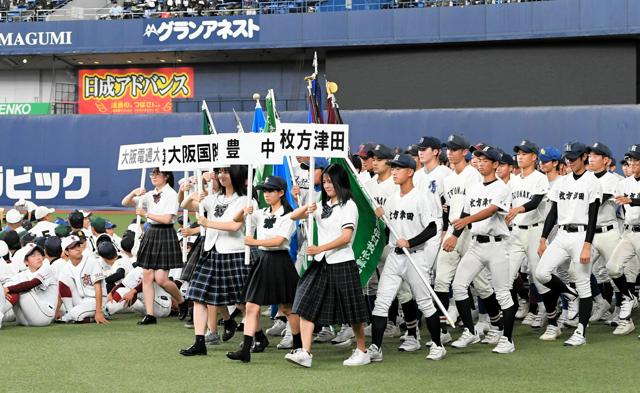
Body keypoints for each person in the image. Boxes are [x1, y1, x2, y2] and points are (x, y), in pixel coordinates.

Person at [285, 163, 370, 368]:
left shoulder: (349, 206)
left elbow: (346, 237)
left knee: (353, 312)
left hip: (342, 262)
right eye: (324, 182)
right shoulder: (320, 204)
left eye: (330, 181)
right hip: (321, 263)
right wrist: (307, 207)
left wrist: (320, 248)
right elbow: (293, 216)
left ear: (340, 182)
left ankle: (362, 350)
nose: (326, 185)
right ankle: (305, 352)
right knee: (305, 302)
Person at [368, 154, 446, 361]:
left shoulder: (422, 197)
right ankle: (375, 347)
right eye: (392, 168)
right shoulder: (393, 198)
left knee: (425, 303)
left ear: (410, 171)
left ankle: (437, 345)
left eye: (398, 168)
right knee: (382, 302)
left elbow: (432, 228)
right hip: (395, 256)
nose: (394, 172)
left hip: (416, 256)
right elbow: (388, 230)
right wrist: (380, 217)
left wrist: (410, 242)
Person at [449, 145, 517, 354]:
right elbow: (464, 212)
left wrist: (465, 220)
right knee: (459, 286)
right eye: (478, 159)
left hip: (497, 245)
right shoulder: (474, 187)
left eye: (485, 160)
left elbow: (491, 210)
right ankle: (470, 331)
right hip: (476, 244)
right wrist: (454, 235)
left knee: (503, 294)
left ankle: (507, 339)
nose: (480, 162)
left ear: (496, 164)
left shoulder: (502, 187)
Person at [179, 165, 253, 357]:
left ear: (236, 175)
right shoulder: (213, 198)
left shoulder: (246, 199)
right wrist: (201, 186)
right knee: (198, 297)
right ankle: (199, 342)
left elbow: (235, 226)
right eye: (219, 172)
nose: (221, 175)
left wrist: (207, 223)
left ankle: (258, 334)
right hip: (211, 252)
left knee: (243, 302)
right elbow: (186, 205)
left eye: (226, 172)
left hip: (234, 253)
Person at [226, 176, 299, 363]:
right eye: (264, 191)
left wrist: (254, 242)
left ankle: (298, 346)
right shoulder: (260, 212)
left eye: (270, 191)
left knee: (288, 307)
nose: (266, 194)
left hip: (280, 261)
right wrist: (244, 210)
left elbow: (279, 241)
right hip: (263, 260)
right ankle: (246, 349)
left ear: (281, 192)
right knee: (251, 305)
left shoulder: (288, 215)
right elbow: (236, 220)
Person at [535, 142, 602, 346]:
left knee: (583, 283)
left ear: (584, 157)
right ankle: (569, 293)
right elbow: (552, 212)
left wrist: (588, 245)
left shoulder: (592, 181)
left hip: (582, 234)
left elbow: (593, 217)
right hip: (562, 234)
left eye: (573, 157)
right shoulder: (561, 182)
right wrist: (543, 238)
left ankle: (581, 332)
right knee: (541, 273)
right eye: (568, 158)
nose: (569, 161)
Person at [121, 167, 187, 325]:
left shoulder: (171, 194)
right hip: (151, 234)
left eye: (157, 174)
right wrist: (134, 192)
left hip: (165, 233)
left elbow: (166, 219)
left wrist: (146, 214)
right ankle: (150, 315)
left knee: (162, 279)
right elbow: (125, 202)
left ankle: (182, 302)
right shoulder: (149, 194)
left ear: (166, 176)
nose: (154, 177)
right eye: (153, 174)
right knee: (147, 276)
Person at [607, 144, 640, 336]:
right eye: (630, 160)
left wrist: (633, 201)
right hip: (628, 232)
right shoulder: (624, 183)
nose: (633, 163)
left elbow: (632, 201)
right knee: (612, 267)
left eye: (637, 160)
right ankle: (629, 297)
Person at [1, 243, 57, 327]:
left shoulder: (47, 269)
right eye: (33, 255)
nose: (38, 257)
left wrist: (8, 289)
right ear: (26, 261)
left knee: (19, 289)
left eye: (39, 254)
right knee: (10, 288)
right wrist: (5, 290)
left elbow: (32, 283)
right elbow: (7, 285)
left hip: (45, 315)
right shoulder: (22, 275)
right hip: (24, 319)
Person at [57, 236, 109, 324]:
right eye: (73, 247)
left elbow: (98, 288)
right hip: (81, 300)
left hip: (96, 301)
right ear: (66, 252)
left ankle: (100, 313)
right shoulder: (66, 267)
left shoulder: (92, 262)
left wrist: (98, 311)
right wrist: (56, 310)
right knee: (63, 279)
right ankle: (70, 313)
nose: (77, 249)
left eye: (78, 245)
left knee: (75, 314)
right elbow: (62, 289)